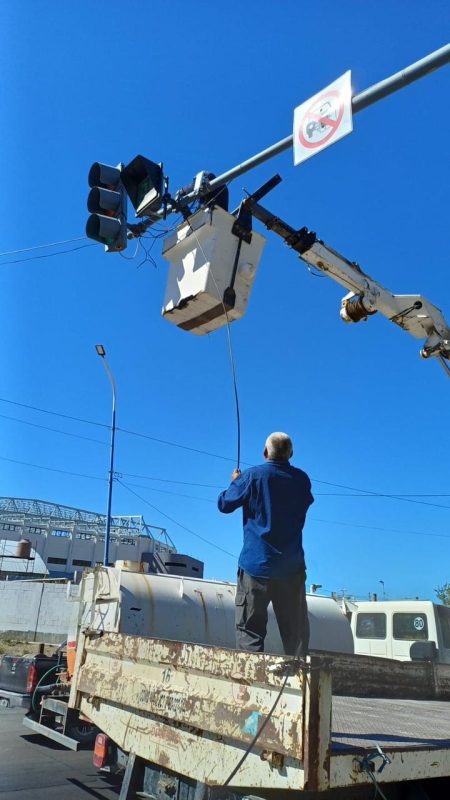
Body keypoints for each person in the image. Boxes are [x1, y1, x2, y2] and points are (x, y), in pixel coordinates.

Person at [217, 432, 314, 655]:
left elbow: (224, 505)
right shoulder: (302, 480)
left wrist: (234, 483)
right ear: (291, 453)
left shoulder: (251, 477)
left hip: (255, 567)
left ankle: (253, 684)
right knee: (296, 636)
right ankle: (300, 683)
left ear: (265, 452)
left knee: (249, 632)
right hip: (292, 568)